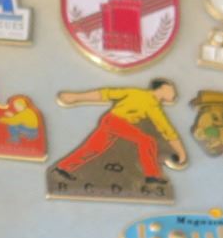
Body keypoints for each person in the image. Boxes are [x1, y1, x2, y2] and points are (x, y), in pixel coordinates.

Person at [53, 79, 189, 185]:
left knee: (93, 148)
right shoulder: (138, 94)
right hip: (116, 121)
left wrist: (181, 151)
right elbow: (106, 94)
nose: (175, 93)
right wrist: (76, 96)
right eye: (172, 89)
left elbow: (166, 128)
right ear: (163, 88)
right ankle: (152, 175)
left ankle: (63, 168)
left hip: (112, 122)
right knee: (147, 141)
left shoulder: (154, 106)